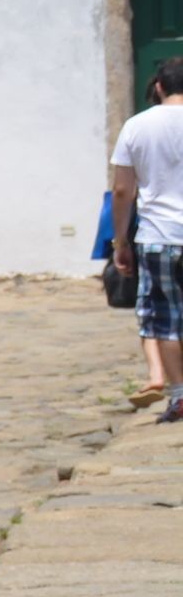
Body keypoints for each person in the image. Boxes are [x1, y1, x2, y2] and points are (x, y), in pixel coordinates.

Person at [112, 54, 183, 424]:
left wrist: (120, 242)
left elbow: (123, 192)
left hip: (158, 237)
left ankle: (180, 395)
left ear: (158, 86)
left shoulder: (136, 127)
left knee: (167, 320)